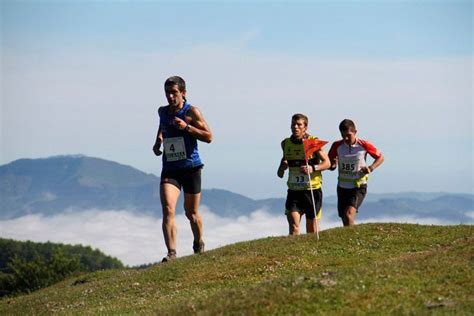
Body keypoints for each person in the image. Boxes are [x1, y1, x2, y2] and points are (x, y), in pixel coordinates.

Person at [153, 76, 213, 262]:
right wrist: (158, 141)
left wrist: (187, 127)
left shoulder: (192, 112)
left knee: (191, 213)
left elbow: (209, 136)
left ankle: (198, 242)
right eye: (167, 93)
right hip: (170, 168)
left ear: (183, 93)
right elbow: (162, 126)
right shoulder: (162, 111)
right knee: (168, 209)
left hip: (191, 168)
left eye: (174, 93)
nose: (170, 97)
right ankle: (171, 253)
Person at [277, 113, 330, 235]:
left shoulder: (313, 143)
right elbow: (283, 163)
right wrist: (282, 168)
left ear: (305, 127)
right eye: (293, 124)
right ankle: (294, 252)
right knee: (294, 226)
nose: (295, 127)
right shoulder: (285, 143)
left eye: (299, 125)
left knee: (312, 231)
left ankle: (311, 252)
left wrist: (313, 168)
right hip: (294, 191)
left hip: (312, 190)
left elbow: (327, 163)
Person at [328, 119, 384, 226]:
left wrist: (370, 168)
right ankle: (348, 239)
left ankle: (352, 241)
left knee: (349, 215)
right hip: (342, 187)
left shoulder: (364, 145)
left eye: (348, 135)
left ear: (355, 132)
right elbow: (330, 164)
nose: (346, 138)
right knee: (344, 218)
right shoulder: (336, 146)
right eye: (343, 135)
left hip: (358, 186)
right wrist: (333, 165)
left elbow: (381, 157)